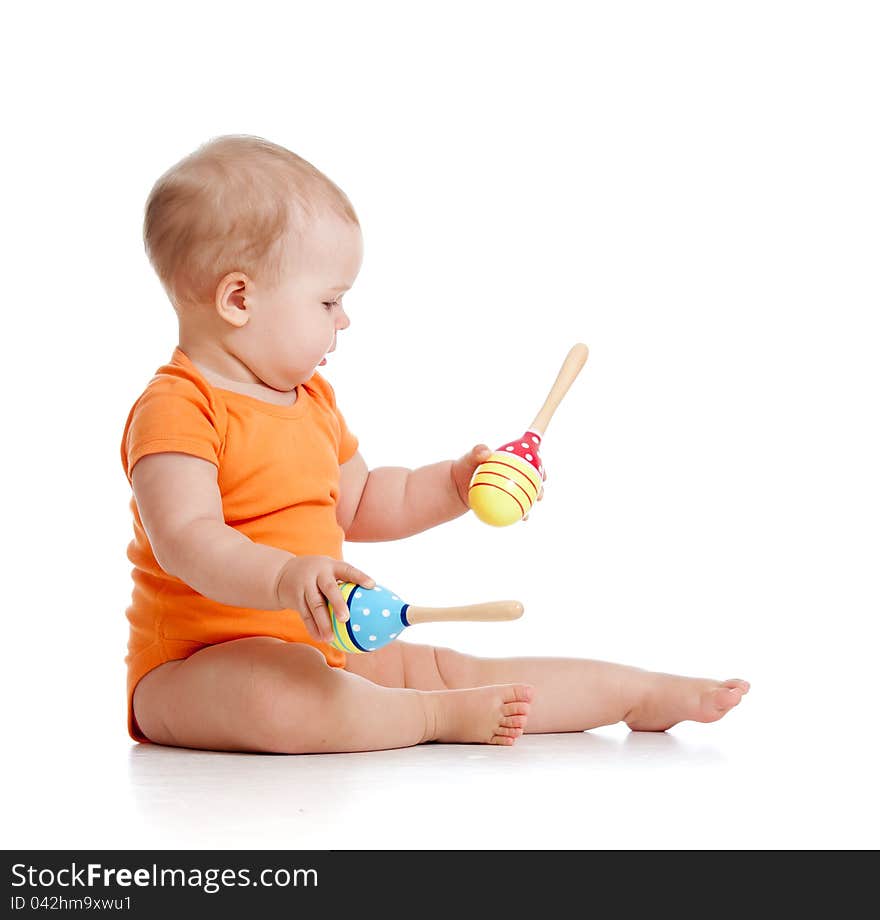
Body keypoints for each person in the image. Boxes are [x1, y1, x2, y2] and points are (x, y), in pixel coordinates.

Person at [123, 134, 749, 753]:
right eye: (328, 301)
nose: (344, 320)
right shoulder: (180, 406)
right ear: (239, 299)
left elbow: (364, 500)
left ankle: (632, 692)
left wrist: (452, 485)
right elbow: (188, 539)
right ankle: (428, 718)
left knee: (451, 667)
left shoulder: (312, 402)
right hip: (193, 671)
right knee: (274, 696)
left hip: (323, 648)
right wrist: (286, 577)